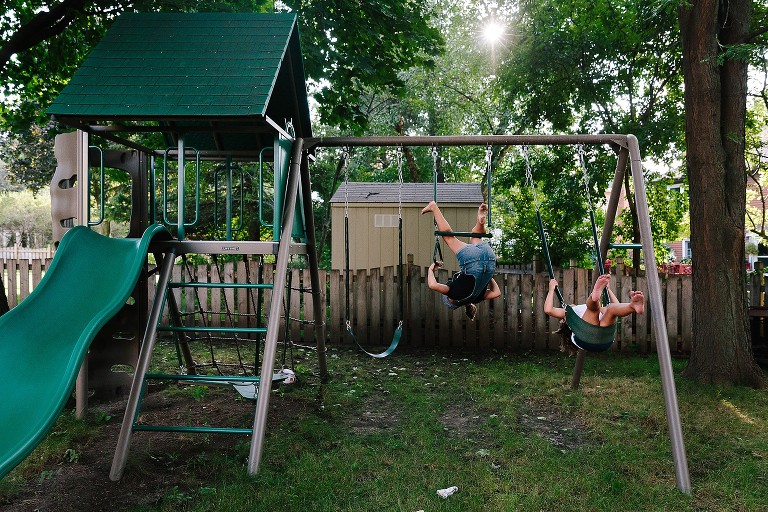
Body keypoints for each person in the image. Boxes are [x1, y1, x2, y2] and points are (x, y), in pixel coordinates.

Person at [422, 201, 501, 320]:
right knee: (448, 237)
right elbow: (433, 285)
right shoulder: (452, 293)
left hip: (490, 261)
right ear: (451, 300)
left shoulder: (477, 298)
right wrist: (430, 270)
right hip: (472, 262)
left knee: (475, 238)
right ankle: (434, 207)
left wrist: (488, 276)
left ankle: (480, 223)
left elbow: (496, 293)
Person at [544, 273, 645, 354]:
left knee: (611, 309)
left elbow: (617, 307)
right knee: (596, 309)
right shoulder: (568, 314)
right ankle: (595, 297)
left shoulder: (572, 314)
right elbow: (548, 310)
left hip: (602, 340)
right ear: (566, 322)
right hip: (588, 337)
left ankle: (632, 306)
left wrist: (608, 289)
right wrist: (551, 289)